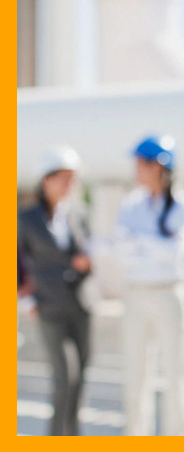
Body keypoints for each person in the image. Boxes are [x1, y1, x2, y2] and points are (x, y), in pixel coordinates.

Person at [115, 135, 184, 436]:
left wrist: (140, 242)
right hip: (137, 294)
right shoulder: (131, 204)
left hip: (169, 294)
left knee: (176, 376)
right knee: (136, 376)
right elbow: (122, 250)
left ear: (159, 167)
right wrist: (155, 244)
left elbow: (176, 253)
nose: (137, 169)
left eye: (142, 163)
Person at [17, 146, 92, 436]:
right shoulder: (27, 219)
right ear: (46, 180)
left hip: (81, 305)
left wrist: (86, 262)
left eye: (73, 178)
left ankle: (73, 435)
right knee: (65, 375)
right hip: (48, 307)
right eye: (64, 178)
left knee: (80, 377)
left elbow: (89, 251)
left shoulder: (77, 214)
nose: (70, 185)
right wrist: (24, 299)